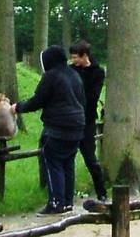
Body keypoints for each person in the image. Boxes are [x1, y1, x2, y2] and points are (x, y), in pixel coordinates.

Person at [14, 44, 85, 214]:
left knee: (53, 163)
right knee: (68, 163)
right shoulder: (74, 75)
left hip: (57, 127)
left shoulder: (51, 77)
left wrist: (18, 107)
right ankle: (68, 202)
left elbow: (38, 100)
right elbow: (82, 99)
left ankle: (56, 202)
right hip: (77, 125)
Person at [69, 39, 108, 202]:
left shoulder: (98, 72)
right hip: (71, 120)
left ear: (84, 56)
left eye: (75, 57)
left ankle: (102, 191)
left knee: (90, 158)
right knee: (67, 158)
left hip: (87, 120)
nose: (73, 60)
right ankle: (67, 194)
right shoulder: (70, 70)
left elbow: (93, 97)